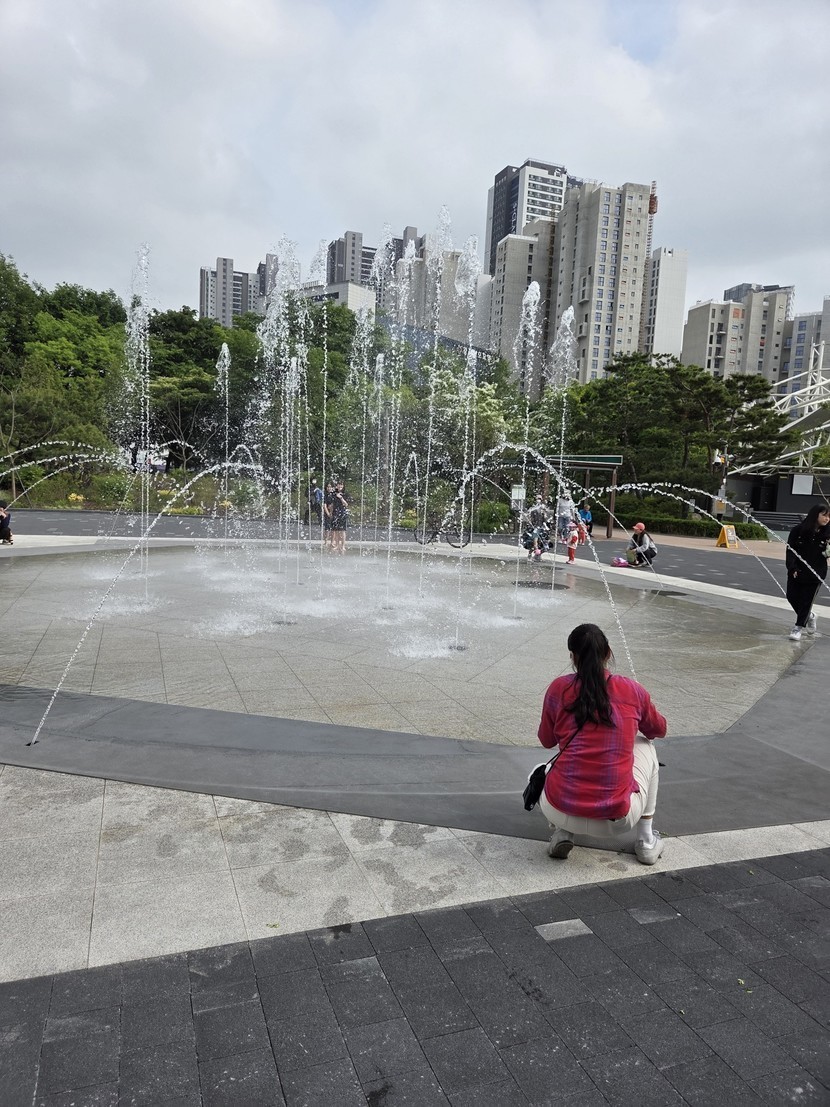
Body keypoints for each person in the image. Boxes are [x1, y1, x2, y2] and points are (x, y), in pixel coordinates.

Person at [537, 623, 667, 865]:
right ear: (607, 653)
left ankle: (563, 832)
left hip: (560, 809)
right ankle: (646, 840)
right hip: (617, 818)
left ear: (572, 656)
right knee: (646, 744)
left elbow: (546, 741)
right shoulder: (632, 690)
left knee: (546, 767)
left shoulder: (558, 689)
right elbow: (658, 730)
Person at [785, 503, 830, 641]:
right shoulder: (798, 531)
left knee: (806, 601)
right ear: (815, 515)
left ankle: (798, 628)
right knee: (791, 597)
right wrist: (792, 567)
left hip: (816, 572)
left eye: (829, 516)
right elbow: (790, 550)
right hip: (797, 570)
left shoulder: (827, 533)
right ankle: (810, 616)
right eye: (824, 515)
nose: (827, 519)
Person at [330, 480, 350, 554]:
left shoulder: (345, 494)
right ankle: (337, 545)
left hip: (342, 513)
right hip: (335, 513)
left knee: (342, 530)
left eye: (341, 485)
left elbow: (346, 504)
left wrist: (341, 498)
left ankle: (343, 545)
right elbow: (332, 504)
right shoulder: (334, 494)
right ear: (336, 486)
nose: (340, 486)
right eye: (338, 484)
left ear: (343, 486)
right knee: (336, 530)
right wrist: (330, 512)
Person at [322, 479, 336, 549]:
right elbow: (324, 505)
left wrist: (331, 512)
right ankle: (325, 541)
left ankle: (332, 542)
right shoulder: (325, 495)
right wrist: (328, 513)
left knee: (333, 528)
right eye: (328, 487)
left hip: (334, 513)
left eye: (330, 487)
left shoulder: (334, 494)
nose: (329, 488)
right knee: (327, 528)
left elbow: (334, 504)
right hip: (327, 513)